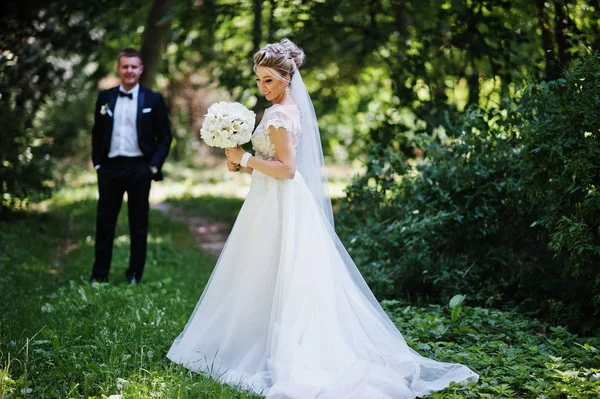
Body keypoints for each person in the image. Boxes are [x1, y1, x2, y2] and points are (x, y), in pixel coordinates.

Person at [167, 38, 478, 398]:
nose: (262, 87)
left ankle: (285, 347)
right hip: (269, 199)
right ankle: (261, 337)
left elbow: (286, 169)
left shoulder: (281, 115)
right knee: (264, 269)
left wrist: (247, 158)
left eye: (268, 80)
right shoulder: (283, 110)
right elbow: (268, 164)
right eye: (258, 80)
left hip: (281, 200)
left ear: (287, 77)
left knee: (281, 269)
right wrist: (237, 158)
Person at [90, 48, 172, 284]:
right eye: (125, 66)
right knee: (105, 223)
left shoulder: (153, 99)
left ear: (141, 69)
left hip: (140, 168)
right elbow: (97, 133)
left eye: (133, 66)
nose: (129, 71)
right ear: (119, 68)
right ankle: (99, 275)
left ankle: (134, 274)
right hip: (109, 169)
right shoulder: (104, 98)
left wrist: (153, 166)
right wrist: (98, 164)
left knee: (138, 225)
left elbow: (165, 137)